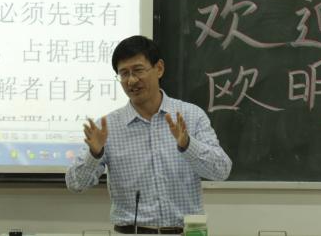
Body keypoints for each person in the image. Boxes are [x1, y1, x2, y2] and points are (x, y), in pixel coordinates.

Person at [65, 35, 232, 234]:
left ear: (159, 68)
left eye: (138, 70)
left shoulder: (191, 115)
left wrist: (188, 145)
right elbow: (75, 184)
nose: (131, 80)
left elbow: (221, 171)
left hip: (185, 232)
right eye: (124, 73)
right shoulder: (106, 128)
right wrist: (94, 154)